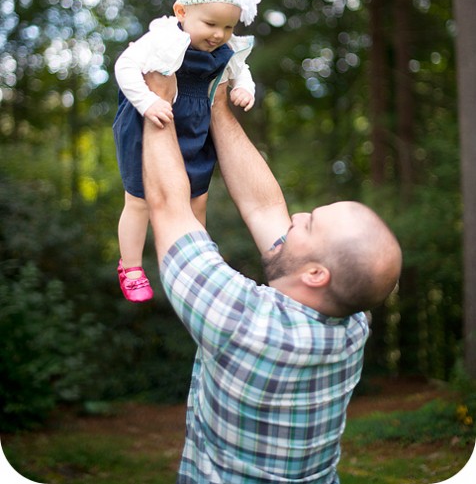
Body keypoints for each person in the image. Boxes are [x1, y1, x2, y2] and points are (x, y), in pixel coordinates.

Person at [142, 72, 403, 484]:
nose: (296, 217)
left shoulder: (242, 323)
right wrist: (216, 103)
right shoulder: (352, 324)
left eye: (310, 223)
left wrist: (155, 99)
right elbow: (265, 206)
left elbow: (168, 208)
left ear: (316, 274)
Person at [113, 0, 260, 302]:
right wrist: (147, 102)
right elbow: (125, 66)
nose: (219, 35)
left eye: (227, 27)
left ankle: (195, 267)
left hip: (194, 124)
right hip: (150, 118)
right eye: (210, 24)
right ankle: (131, 266)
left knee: (198, 197)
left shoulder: (227, 46)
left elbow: (241, 70)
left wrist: (244, 89)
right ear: (181, 11)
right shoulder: (162, 39)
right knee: (140, 200)